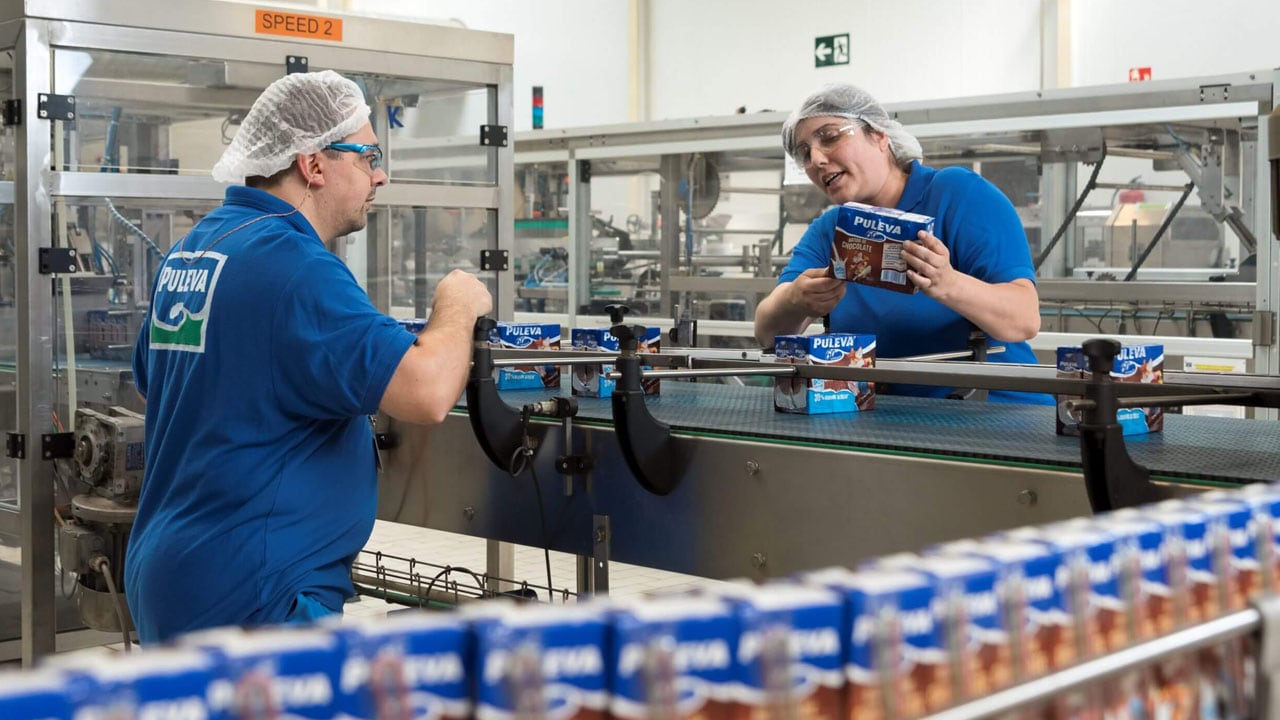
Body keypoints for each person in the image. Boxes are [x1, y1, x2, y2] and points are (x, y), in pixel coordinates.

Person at [125, 70, 494, 643]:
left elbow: (157, 378)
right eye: (367, 155)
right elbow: (427, 392)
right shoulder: (294, 266)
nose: (381, 174)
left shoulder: (199, 246)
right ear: (313, 164)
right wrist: (459, 303)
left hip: (174, 574)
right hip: (256, 596)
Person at [753, 83, 1048, 404]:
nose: (817, 159)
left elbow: (1024, 319)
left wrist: (948, 284)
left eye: (830, 136)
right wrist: (796, 299)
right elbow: (767, 333)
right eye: (804, 153)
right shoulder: (831, 230)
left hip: (997, 420)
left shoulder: (956, 195)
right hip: (892, 421)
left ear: (880, 136)